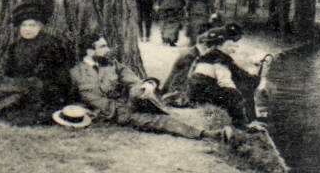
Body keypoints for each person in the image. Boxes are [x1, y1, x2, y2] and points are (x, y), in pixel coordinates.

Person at [69, 34, 231, 140]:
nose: (108, 49)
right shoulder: (76, 73)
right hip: (119, 113)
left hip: (132, 101)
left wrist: (146, 85)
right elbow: (82, 98)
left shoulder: (112, 64)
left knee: (142, 91)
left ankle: (161, 104)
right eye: (102, 46)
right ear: (90, 51)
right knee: (160, 121)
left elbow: (131, 79)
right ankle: (207, 134)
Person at [0, 0, 75, 124]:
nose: (27, 29)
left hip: (46, 86)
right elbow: (9, 69)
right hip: (22, 84)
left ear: (40, 26)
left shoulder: (50, 44)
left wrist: (19, 83)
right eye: (24, 25)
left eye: (32, 25)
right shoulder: (16, 45)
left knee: (17, 96)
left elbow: (45, 72)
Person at [187, 27, 267, 131]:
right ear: (219, 46)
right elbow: (224, 80)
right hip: (203, 88)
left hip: (197, 88)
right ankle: (242, 125)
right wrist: (234, 91)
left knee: (235, 91)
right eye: (229, 45)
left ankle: (249, 118)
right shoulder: (220, 59)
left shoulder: (209, 55)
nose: (232, 48)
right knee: (234, 95)